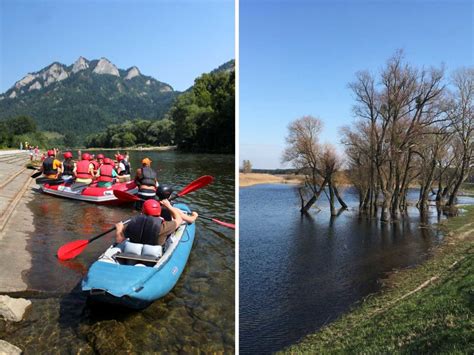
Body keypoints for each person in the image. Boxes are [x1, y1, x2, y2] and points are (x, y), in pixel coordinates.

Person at [115, 199, 198, 247]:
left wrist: (119, 229)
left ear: (142, 211)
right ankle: (192, 217)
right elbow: (179, 219)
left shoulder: (133, 222)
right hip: (155, 252)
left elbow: (119, 240)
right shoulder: (164, 225)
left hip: (134, 249)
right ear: (159, 211)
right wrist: (169, 206)